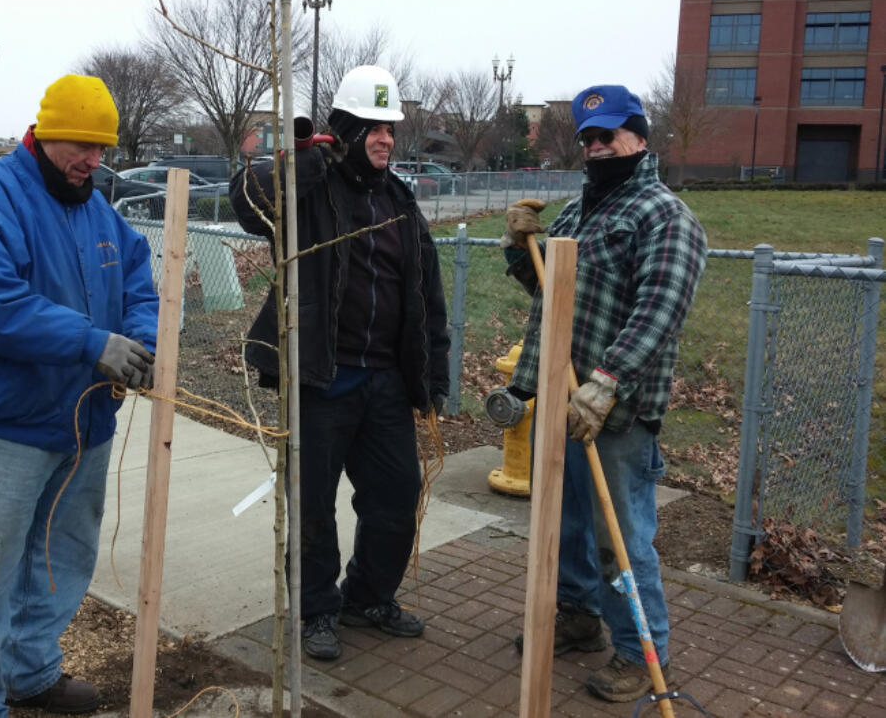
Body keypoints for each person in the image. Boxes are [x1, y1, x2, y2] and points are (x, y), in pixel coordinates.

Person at [0, 74, 159, 717]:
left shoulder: (96, 207)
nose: (93, 161)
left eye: (102, 149)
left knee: (61, 556)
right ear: (45, 133)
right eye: (82, 145)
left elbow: (139, 280)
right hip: (1, 422)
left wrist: (140, 338)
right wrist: (90, 342)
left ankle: (29, 670)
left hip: (82, 420)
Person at [229, 64, 451, 661]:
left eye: (391, 130)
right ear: (346, 129)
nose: (385, 139)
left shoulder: (401, 201)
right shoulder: (312, 190)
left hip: (384, 381)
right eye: (373, 128)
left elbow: (427, 295)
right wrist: (302, 159)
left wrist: (433, 376)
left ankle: (367, 596)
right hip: (321, 377)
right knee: (312, 506)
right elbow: (247, 202)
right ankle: (316, 611)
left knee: (396, 494)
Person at [499, 84, 706, 703]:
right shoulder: (579, 211)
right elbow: (546, 293)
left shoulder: (665, 216)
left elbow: (659, 311)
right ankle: (579, 618)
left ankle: (642, 654)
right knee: (564, 526)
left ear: (639, 139)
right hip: (560, 399)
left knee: (622, 541)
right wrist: (520, 248)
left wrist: (605, 385)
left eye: (608, 135)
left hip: (614, 412)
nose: (596, 147)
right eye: (588, 138)